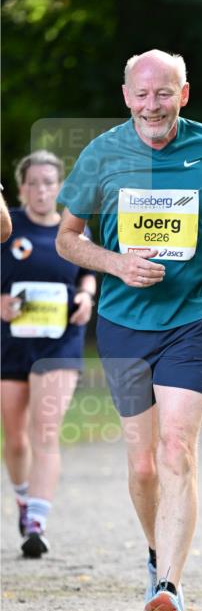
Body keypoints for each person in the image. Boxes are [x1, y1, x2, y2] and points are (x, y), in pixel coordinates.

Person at [56, 49, 202, 611]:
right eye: (141, 95)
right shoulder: (103, 154)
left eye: (163, 94)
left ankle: (168, 586)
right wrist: (115, 263)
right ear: (125, 96)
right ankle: (153, 553)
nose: (152, 106)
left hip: (194, 316)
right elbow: (67, 238)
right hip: (123, 322)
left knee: (176, 449)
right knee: (142, 463)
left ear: (183, 94)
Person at [1, 151, 96, 557]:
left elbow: (89, 269)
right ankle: (24, 500)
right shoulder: (8, 228)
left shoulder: (72, 229)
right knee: (16, 439)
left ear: (60, 188)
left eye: (49, 182)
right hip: (11, 342)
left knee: (46, 429)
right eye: (34, 183)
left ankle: (37, 523)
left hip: (60, 342)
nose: (42, 190)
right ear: (21, 189)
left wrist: (87, 296)